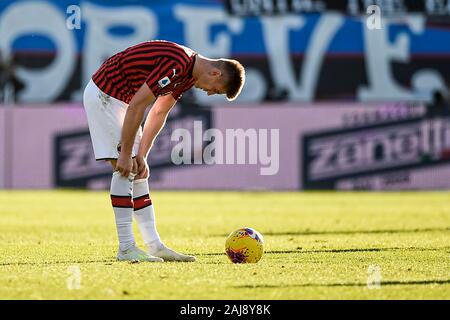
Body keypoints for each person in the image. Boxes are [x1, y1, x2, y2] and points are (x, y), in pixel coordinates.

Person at [83, 40, 245, 262]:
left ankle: (154, 246)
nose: (209, 93)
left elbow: (159, 111)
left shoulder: (187, 74)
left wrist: (143, 154)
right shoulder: (177, 63)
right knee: (125, 169)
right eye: (215, 89)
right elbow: (139, 104)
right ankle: (126, 248)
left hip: (121, 101)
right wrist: (126, 152)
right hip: (106, 96)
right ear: (215, 72)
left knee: (138, 170)